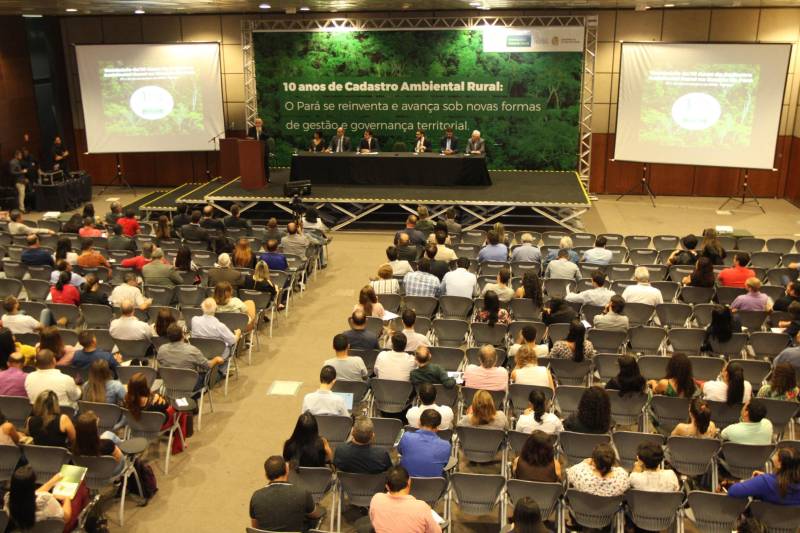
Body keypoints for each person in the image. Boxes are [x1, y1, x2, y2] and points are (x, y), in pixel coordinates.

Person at [250, 455, 323, 532]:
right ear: (287, 470)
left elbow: (255, 528)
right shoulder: (303, 493)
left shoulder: (256, 497)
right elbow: (316, 515)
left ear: (266, 475)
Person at [369, 466, 443, 533]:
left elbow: (374, 522)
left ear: (387, 487)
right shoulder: (421, 507)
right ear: (409, 482)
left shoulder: (376, 499)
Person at [157, 324, 224, 392]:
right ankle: (193, 397)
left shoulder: (161, 349)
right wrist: (216, 359)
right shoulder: (192, 350)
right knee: (218, 374)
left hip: (170, 383)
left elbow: (160, 363)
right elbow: (208, 366)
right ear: (183, 335)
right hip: (190, 385)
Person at [4, 466, 72, 529]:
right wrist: (66, 499)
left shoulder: (8, 498)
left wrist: (52, 481)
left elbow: (32, 494)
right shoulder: (45, 500)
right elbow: (65, 518)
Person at [727, 446, 800, 505]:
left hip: (765, 522)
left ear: (780, 464)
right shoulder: (768, 481)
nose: (774, 455)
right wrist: (769, 477)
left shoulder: (766, 482)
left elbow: (733, 491)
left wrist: (755, 481)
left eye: (776, 454)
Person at [398, 410, 451, 477]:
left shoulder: (406, 436)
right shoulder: (446, 446)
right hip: (432, 486)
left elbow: (400, 451)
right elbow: (444, 465)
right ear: (437, 427)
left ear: (419, 422)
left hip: (406, 483)